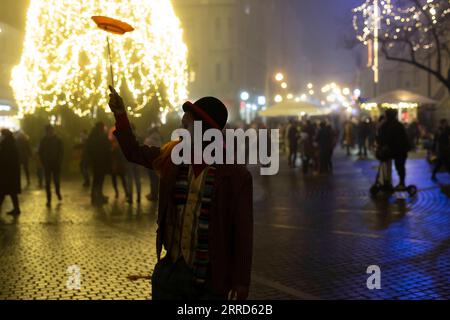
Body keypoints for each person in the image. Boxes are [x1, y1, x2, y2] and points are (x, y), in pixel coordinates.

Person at [109, 86, 253, 300]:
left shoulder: (235, 175)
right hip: (171, 273)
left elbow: (242, 232)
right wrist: (120, 115)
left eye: (186, 125)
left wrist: (241, 282)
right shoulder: (172, 157)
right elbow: (134, 152)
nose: (180, 128)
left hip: (210, 280)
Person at [377, 109, 411, 188]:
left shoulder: (390, 125)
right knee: (399, 166)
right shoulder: (396, 125)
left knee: (399, 166)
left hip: (398, 150)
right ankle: (395, 182)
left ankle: (399, 183)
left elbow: (386, 137)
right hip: (398, 150)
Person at [86, 122, 111, 205]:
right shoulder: (103, 136)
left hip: (94, 162)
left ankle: (94, 197)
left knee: (95, 180)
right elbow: (108, 149)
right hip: (102, 161)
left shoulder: (92, 136)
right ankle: (99, 196)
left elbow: (88, 149)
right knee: (100, 180)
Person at [38, 125, 63, 207]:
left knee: (56, 181)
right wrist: (42, 161)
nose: (49, 133)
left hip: (56, 164)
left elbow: (61, 151)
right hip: (47, 164)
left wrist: (59, 161)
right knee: (48, 183)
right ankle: (49, 199)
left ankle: (57, 191)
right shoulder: (43, 140)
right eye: (47, 131)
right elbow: (40, 151)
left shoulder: (58, 140)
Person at [0, 129, 21, 215]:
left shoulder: (6, 145)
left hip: (7, 172)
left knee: (3, 191)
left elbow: (4, 159)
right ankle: (16, 209)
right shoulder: (11, 144)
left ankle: (16, 209)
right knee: (11, 192)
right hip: (11, 172)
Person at [109, 128, 130, 201]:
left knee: (121, 179)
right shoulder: (114, 144)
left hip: (118, 165)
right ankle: (120, 192)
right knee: (120, 179)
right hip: (117, 165)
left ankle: (123, 192)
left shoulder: (117, 145)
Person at [144, 126, 162, 201]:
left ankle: (153, 195)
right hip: (158, 161)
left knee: (152, 179)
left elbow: (145, 151)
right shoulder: (159, 139)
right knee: (156, 179)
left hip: (151, 162)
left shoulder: (148, 140)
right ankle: (155, 194)